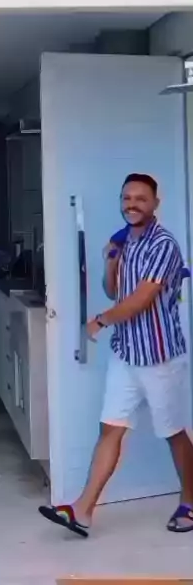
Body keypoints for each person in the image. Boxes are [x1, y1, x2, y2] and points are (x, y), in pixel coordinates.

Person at [39, 173, 193, 537]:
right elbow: (114, 291)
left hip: (159, 356)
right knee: (110, 429)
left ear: (155, 204)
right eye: (127, 198)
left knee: (173, 433)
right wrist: (111, 262)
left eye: (141, 198)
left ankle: (190, 502)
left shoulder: (163, 245)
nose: (132, 204)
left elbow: (141, 300)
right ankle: (82, 512)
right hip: (126, 353)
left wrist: (99, 322)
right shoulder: (125, 242)